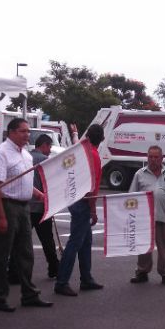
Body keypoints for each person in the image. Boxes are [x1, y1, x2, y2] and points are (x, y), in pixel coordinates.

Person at [0, 118, 53, 312]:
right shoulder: (0, 154)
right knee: (2, 254)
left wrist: (37, 193)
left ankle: (29, 294)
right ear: (12, 132)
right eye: (23, 131)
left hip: (24, 207)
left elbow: (22, 180)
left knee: (25, 253)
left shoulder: (26, 155)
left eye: (28, 131)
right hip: (7, 205)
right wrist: (1, 216)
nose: (27, 135)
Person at [54, 125, 106, 296]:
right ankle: (62, 282)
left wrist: (75, 133)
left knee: (85, 241)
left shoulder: (82, 151)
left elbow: (77, 142)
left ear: (88, 137)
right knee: (75, 243)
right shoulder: (94, 156)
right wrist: (93, 211)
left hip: (74, 199)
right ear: (102, 139)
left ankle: (86, 278)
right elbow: (92, 188)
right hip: (83, 203)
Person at [128, 145, 165, 286]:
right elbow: (131, 197)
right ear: (147, 158)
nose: (153, 160)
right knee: (144, 247)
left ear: (162, 158)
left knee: (164, 248)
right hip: (144, 219)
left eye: (156, 157)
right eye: (150, 157)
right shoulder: (139, 174)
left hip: (164, 217)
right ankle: (142, 272)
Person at [9, 134, 60, 280]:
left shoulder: (25, 157)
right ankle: (54, 268)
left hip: (25, 206)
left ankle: (13, 270)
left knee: (20, 240)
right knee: (47, 240)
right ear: (44, 145)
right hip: (41, 206)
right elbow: (50, 183)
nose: (49, 151)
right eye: (49, 147)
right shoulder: (45, 161)